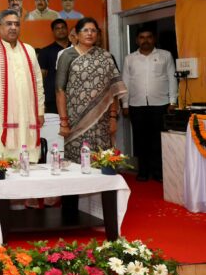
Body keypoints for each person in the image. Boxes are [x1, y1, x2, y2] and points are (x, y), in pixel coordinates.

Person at [0, 9, 44, 161]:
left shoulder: (29, 51)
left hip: (27, 114)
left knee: (27, 157)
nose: (13, 27)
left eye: (16, 24)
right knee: (3, 161)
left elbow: (38, 83)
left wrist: (40, 110)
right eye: (9, 24)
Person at [56, 18, 127, 163]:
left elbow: (113, 89)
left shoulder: (105, 56)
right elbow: (59, 90)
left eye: (93, 30)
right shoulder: (67, 56)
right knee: (78, 161)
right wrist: (64, 122)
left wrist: (113, 118)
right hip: (75, 120)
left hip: (102, 120)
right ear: (77, 34)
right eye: (85, 30)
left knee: (102, 159)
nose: (90, 34)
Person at [122, 28, 177, 182]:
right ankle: (143, 171)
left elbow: (172, 79)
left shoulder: (165, 55)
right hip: (136, 105)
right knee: (140, 139)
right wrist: (125, 104)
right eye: (141, 37)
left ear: (154, 39)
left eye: (149, 37)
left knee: (158, 140)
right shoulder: (129, 59)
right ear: (136, 40)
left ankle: (158, 172)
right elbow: (125, 82)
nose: (145, 40)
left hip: (160, 104)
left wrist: (173, 101)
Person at [38, 19, 70, 114]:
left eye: (63, 27)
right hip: (53, 97)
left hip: (75, 95)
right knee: (56, 127)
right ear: (53, 32)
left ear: (67, 29)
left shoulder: (76, 48)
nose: (61, 30)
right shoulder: (46, 51)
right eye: (57, 28)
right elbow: (41, 76)